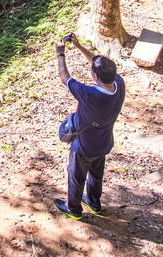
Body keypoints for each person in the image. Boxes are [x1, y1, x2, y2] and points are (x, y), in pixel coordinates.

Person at [53, 33, 125, 220]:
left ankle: (73, 209)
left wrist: (60, 53)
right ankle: (94, 203)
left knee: (76, 176)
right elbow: (97, 62)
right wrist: (78, 45)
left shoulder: (90, 94)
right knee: (96, 174)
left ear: (95, 75)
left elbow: (64, 77)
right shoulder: (119, 84)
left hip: (84, 146)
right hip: (103, 143)